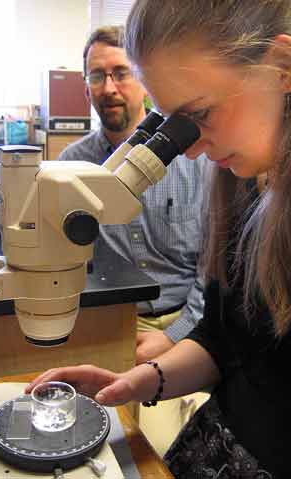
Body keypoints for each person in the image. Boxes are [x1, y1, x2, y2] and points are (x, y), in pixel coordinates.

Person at [27, 1, 291, 476]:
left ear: (282, 69)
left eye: (200, 114)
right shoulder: (242, 182)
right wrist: (136, 383)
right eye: (171, 124)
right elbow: (223, 343)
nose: (187, 151)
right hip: (219, 444)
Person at [58, 25, 207, 364]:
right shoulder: (69, 167)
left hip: (189, 320)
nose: (109, 88)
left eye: (121, 73)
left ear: (145, 81)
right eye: (97, 76)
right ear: (86, 89)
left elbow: (213, 269)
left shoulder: (197, 161)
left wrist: (174, 335)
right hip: (107, 321)